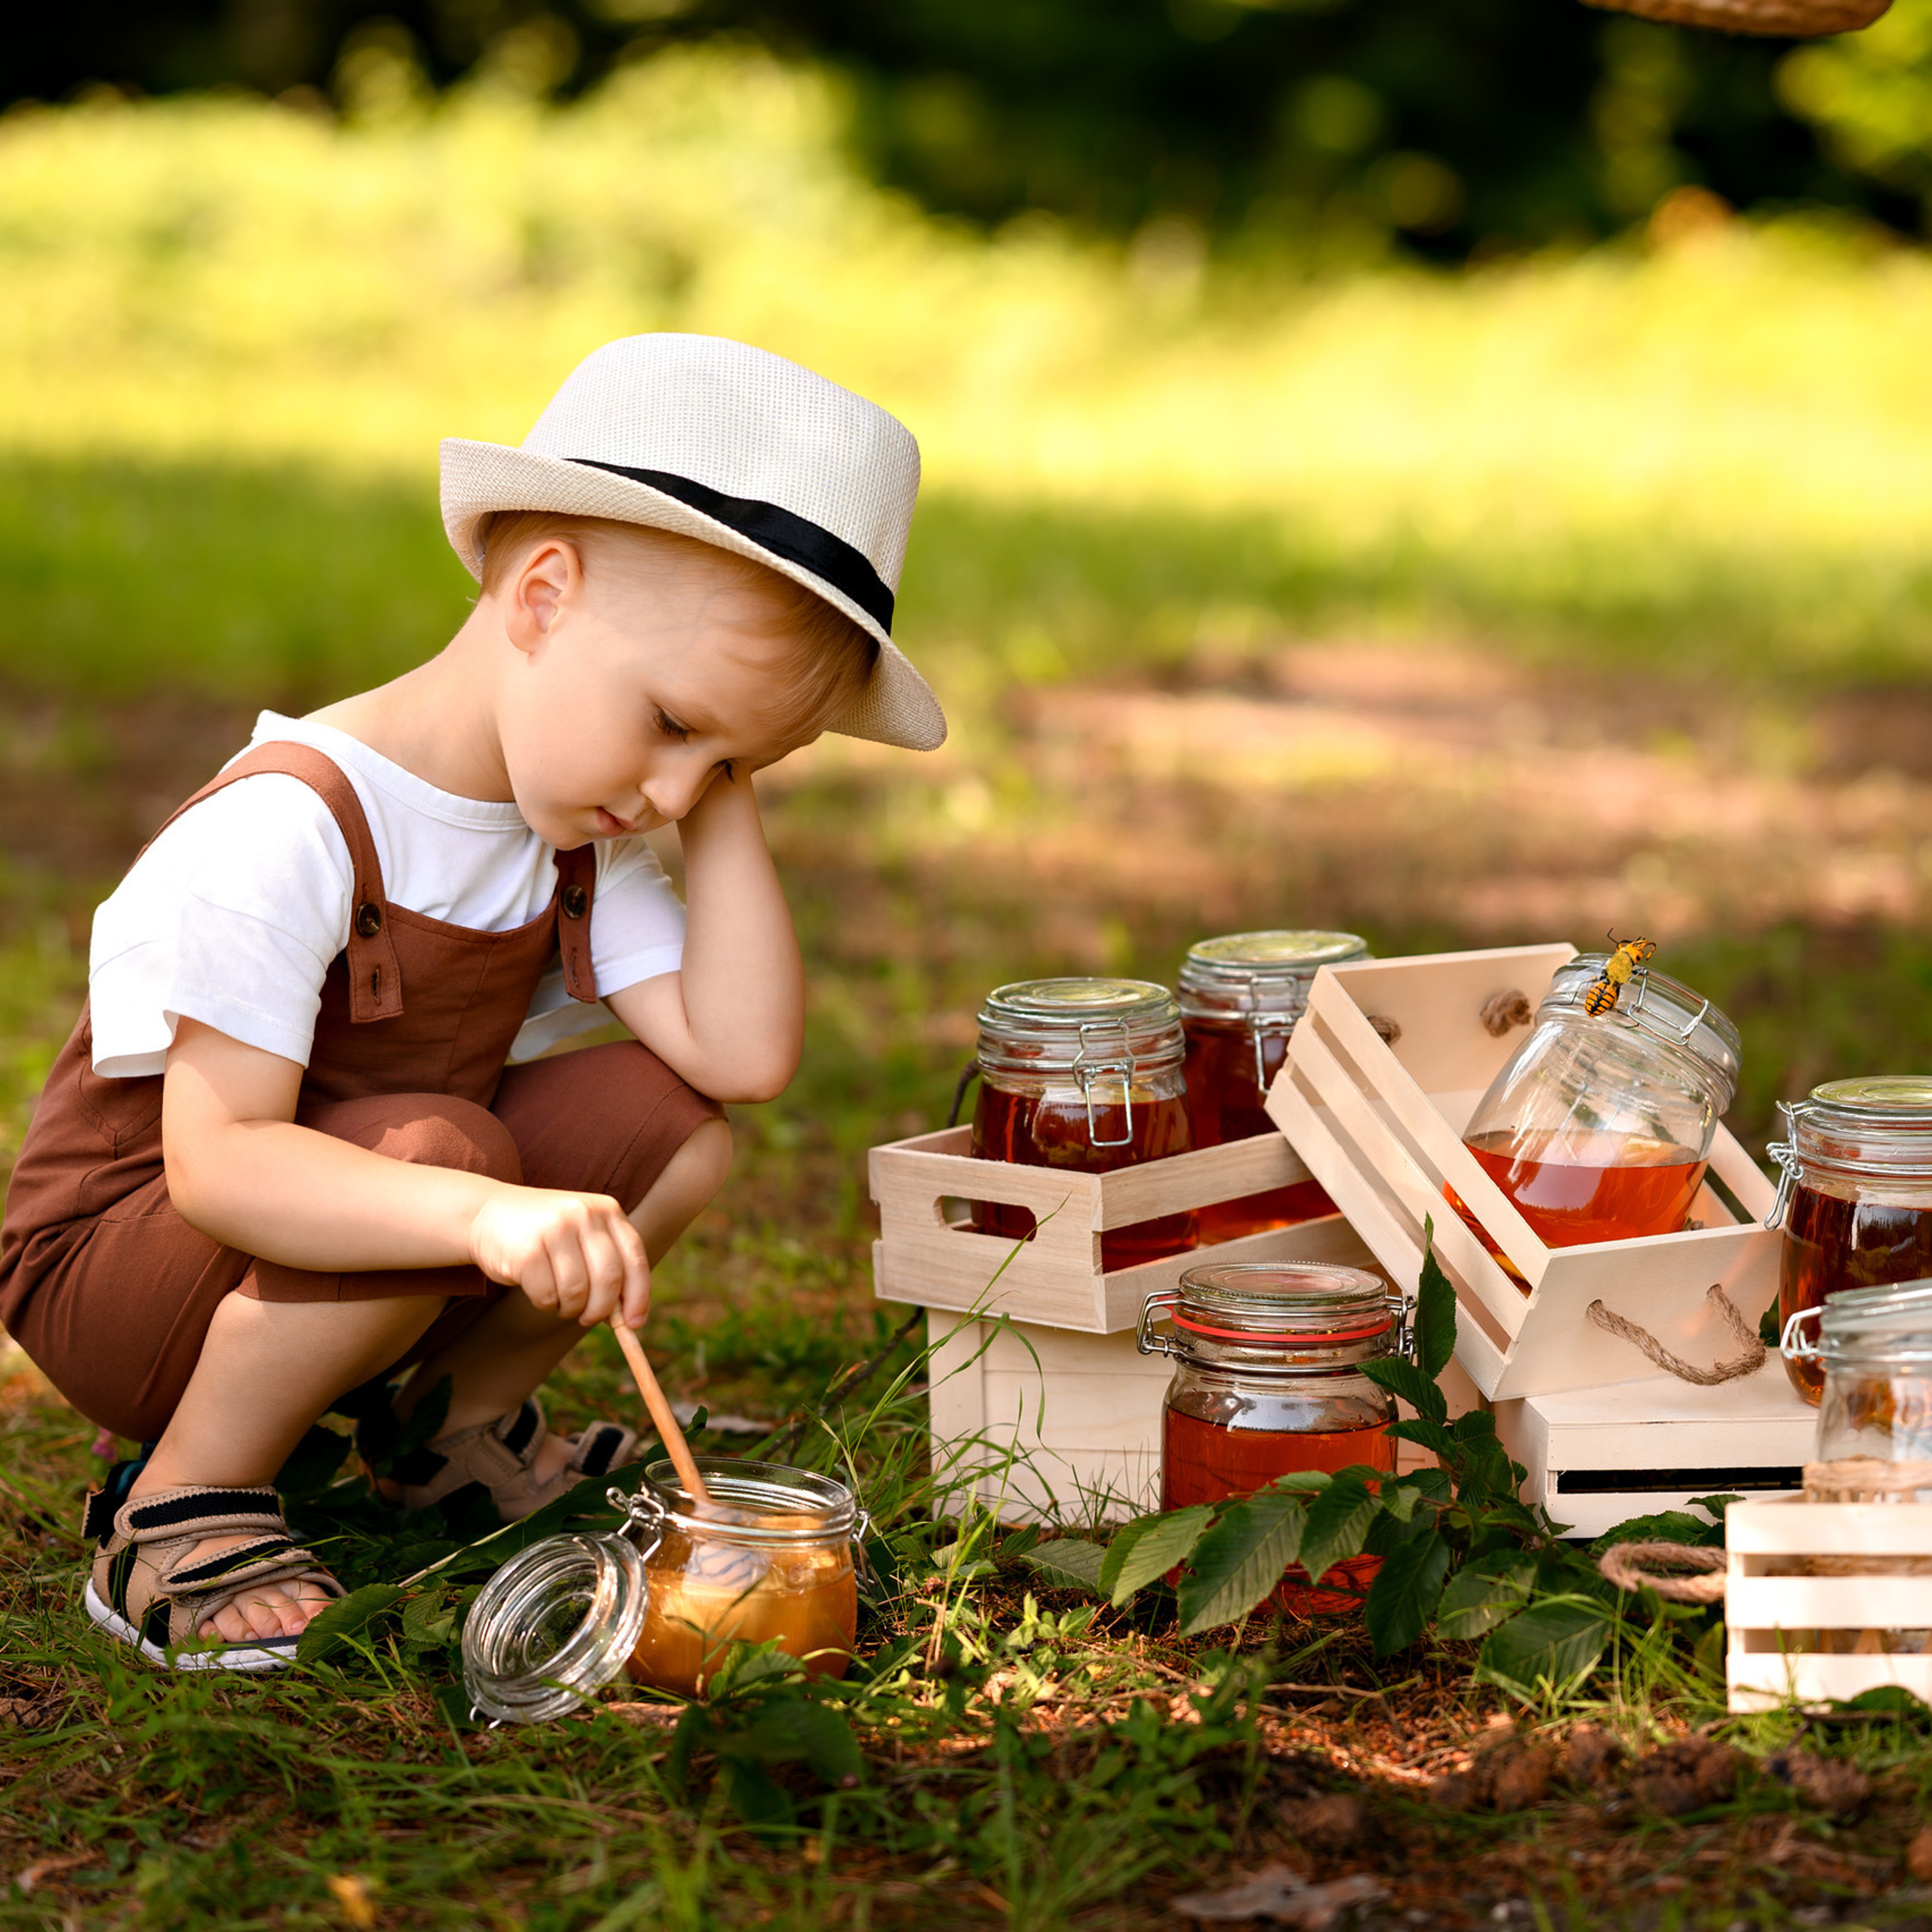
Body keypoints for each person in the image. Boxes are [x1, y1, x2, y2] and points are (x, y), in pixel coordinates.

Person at [0, 334, 944, 1672]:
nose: (675, 792)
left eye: (737, 764)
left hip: (377, 1232)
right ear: (543, 597)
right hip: (129, 1270)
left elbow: (739, 1055)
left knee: (670, 1123)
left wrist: (719, 788)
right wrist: (482, 1212)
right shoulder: (292, 820)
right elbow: (216, 1168)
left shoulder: (582, 824)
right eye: (673, 723)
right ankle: (179, 1501)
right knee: (453, 1150)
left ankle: (447, 1435)